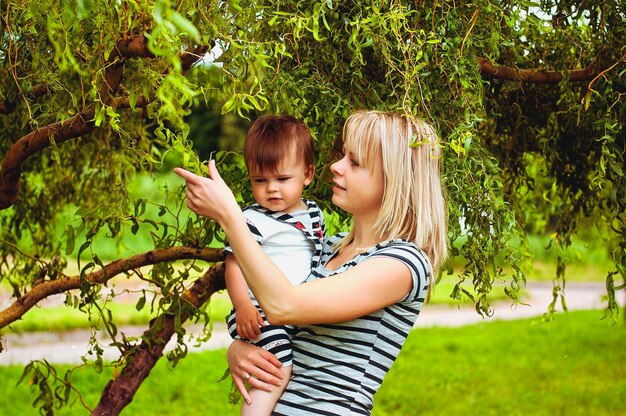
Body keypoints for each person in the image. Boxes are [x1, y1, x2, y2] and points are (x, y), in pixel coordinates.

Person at [175, 110, 448, 415]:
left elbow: (284, 305)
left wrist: (230, 218)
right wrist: (241, 347)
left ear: (394, 179)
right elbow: (282, 322)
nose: (336, 166)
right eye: (343, 155)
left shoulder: (402, 263)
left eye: (354, 162)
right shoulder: (327, 249)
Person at [223, 115, 325, 415]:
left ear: (307, 174)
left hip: (292, 310)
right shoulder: (252, 220)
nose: (272, 189)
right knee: (277, 368)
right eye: (260, 180)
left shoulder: (314, 214)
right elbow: (233, 264)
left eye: (282, 179)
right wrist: (242, 306)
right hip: (258, 311)